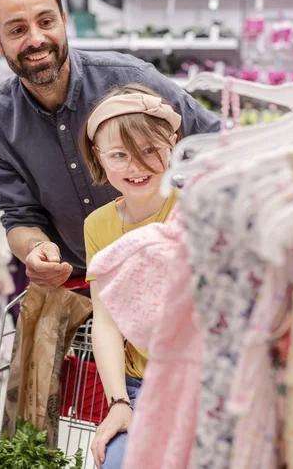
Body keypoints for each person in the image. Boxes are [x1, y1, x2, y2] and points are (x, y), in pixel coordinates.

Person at [0, 0, 219, 288]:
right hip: (81, 288)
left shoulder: (133, 79)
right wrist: (37, 250)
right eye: (18, 29)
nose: (36, 39)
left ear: (64, 20)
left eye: (46, 22)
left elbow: (214, 143)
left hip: (171, 278)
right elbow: (20, 217)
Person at [81, 84, 181, 469]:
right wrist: (119, 403)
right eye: (119, 155)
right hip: (139, 388)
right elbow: (106, 322)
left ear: (173, 144)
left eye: (150, 150)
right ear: (98, 157)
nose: (136, 166)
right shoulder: (98, 226)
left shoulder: (194, 208)